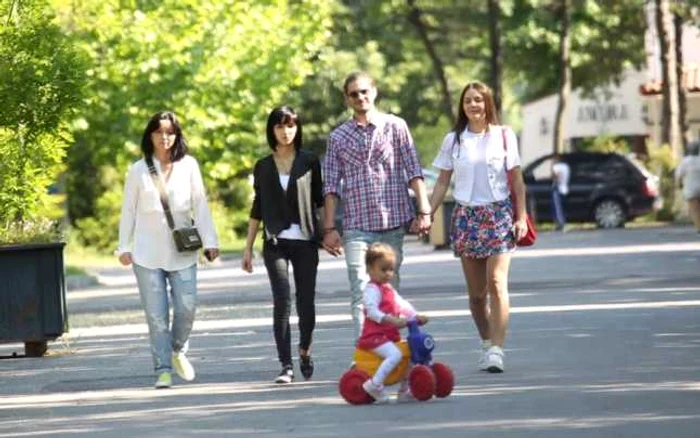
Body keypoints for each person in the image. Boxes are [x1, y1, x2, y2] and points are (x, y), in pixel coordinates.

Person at [322, 71, 432, 342]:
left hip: (392, 222)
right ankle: (367, 350)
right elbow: (331, 185)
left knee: (388, 290)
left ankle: (389, 347)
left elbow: (413, 170)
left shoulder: (395, 126)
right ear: (346, 99)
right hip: (357, 226)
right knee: (361, 289)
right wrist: (329, 227)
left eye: (364, 91)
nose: (360, 97)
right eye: (353, 94)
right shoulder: (338, 137)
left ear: (374, 92)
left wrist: (424, 210)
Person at [428, 81, 528, 373]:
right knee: (476, 296)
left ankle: (497, 349)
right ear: (463, 106)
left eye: (478, 100)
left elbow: (518, 181)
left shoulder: (505, 136)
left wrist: (520, 217)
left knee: (497, 284)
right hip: (466, 217)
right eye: (468, 101)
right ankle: (486, 341)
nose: (473, 105)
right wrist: (427, 213)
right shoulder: (453, 140)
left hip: (498, 215)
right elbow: (443, 182)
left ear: (488, 104)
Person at [118, 111, 219, 389]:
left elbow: (200, 204)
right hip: (146, 253)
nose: (165, 137)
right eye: (159, 132)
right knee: (156, 316)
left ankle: (177, 349)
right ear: (150, 136)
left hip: (182, 251)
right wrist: (123, 247)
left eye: (170, 132)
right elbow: (128, 210)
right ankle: (162, 369)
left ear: (177, 135)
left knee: (187, 307)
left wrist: (211, 241)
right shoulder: (138, 170)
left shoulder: (189, 165)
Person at [242, 106, 323, 384]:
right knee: (282, 301)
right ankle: (285, 365)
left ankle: (305, 350)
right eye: (279, 126)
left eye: (290, 126)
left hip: (305, 242)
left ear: (297, 128)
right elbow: (257, 206)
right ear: (272, 130)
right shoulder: (263, 166)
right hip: (275, 241)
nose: (285, 131)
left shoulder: (310, 161)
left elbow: (319, 202)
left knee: (306, 301)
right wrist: (248, 247)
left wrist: (327, 234)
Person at [357, 243, 429, 403]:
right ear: (369, 268)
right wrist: (390, 319)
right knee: (395, 354)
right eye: (383, 269)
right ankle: (375, 384)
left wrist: (416, 316)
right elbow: (371, 311)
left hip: (388, 337)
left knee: (409, 353)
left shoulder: (388, 288)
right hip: (374, 337)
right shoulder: (372, 289)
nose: (388, 274)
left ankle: (405, 389)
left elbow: (402, 305)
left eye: (391, 269)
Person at [675, 140, 700, 232]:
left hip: (691, 189)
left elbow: (678, 175)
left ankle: (698, 227)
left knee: (695, 210)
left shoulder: (685, 161)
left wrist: (679, 185)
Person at [551, 154, 570, 231]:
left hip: (557, 188)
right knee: (562, 207)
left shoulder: (556, 167)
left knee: (557, 208)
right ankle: (562, 222)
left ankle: (560, 223)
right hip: (565, 188)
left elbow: (556, 176)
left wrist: (554, 178)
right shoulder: (566, 166)